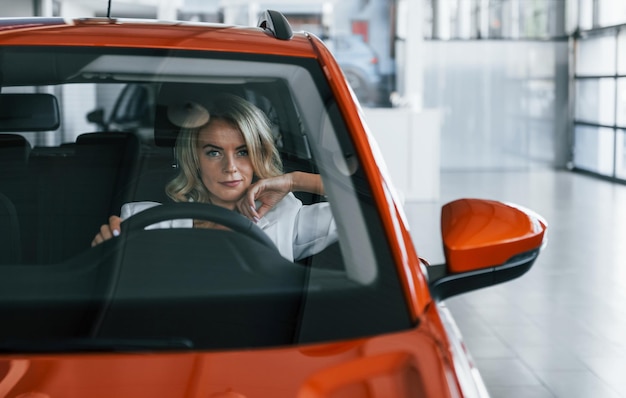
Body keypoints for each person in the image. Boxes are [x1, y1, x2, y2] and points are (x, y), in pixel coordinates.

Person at [91, 94, 337, 262]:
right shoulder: (144, 221)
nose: (230, 167)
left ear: (258, 156)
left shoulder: (287, 220)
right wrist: (102, 258)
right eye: (214, 152)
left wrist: (294, 181)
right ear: (195, 160)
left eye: (242, 152)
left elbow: (368, 206)